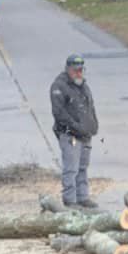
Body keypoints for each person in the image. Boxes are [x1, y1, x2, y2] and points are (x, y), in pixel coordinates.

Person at [49, 51, 99, 209]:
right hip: (70, 135)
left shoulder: (83, 85)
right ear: (67, 69)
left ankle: (83, 197)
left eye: (81, 69)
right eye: (75, 70)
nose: (79, 72)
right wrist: (76, 128)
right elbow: (59, 114)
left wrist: (93, 125)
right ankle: (70, 200)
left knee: (83, 167)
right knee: (71, 168)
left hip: (85, 134)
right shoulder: (59, 86)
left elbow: (91, 107)